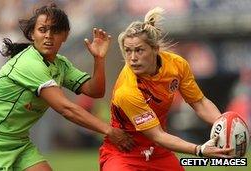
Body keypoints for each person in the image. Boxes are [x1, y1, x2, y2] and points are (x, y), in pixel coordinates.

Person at [0, 4, 134, 171]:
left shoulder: (60, 64)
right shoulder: (29, 63)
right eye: (42, 30)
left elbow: (95, 91)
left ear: (65, 35)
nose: (49, 36)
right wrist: (109, 130)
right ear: (32, 34)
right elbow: (66, 109)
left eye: (56, 30)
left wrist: (99, 59)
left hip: (19, 143)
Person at [99, 7, 233, 171]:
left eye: (139, 50)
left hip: (159, 151)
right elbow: (157, 135)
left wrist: (225, 126)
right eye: (128, 51)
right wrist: (199, 150)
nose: (132, 58)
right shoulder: (127, 90)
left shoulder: (177, 65)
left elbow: (199, 103)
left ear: (155, 49)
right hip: (123, 154)